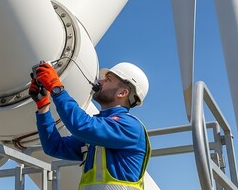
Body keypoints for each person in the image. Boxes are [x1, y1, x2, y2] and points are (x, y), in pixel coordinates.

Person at [29, 62, 151, 190]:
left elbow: (81, 125)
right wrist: (43, 106)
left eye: (107, 80)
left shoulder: (129, 126)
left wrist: (56, 88)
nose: (100, 81)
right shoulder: (98, 132)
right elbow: (54, 146)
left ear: (122, 93)